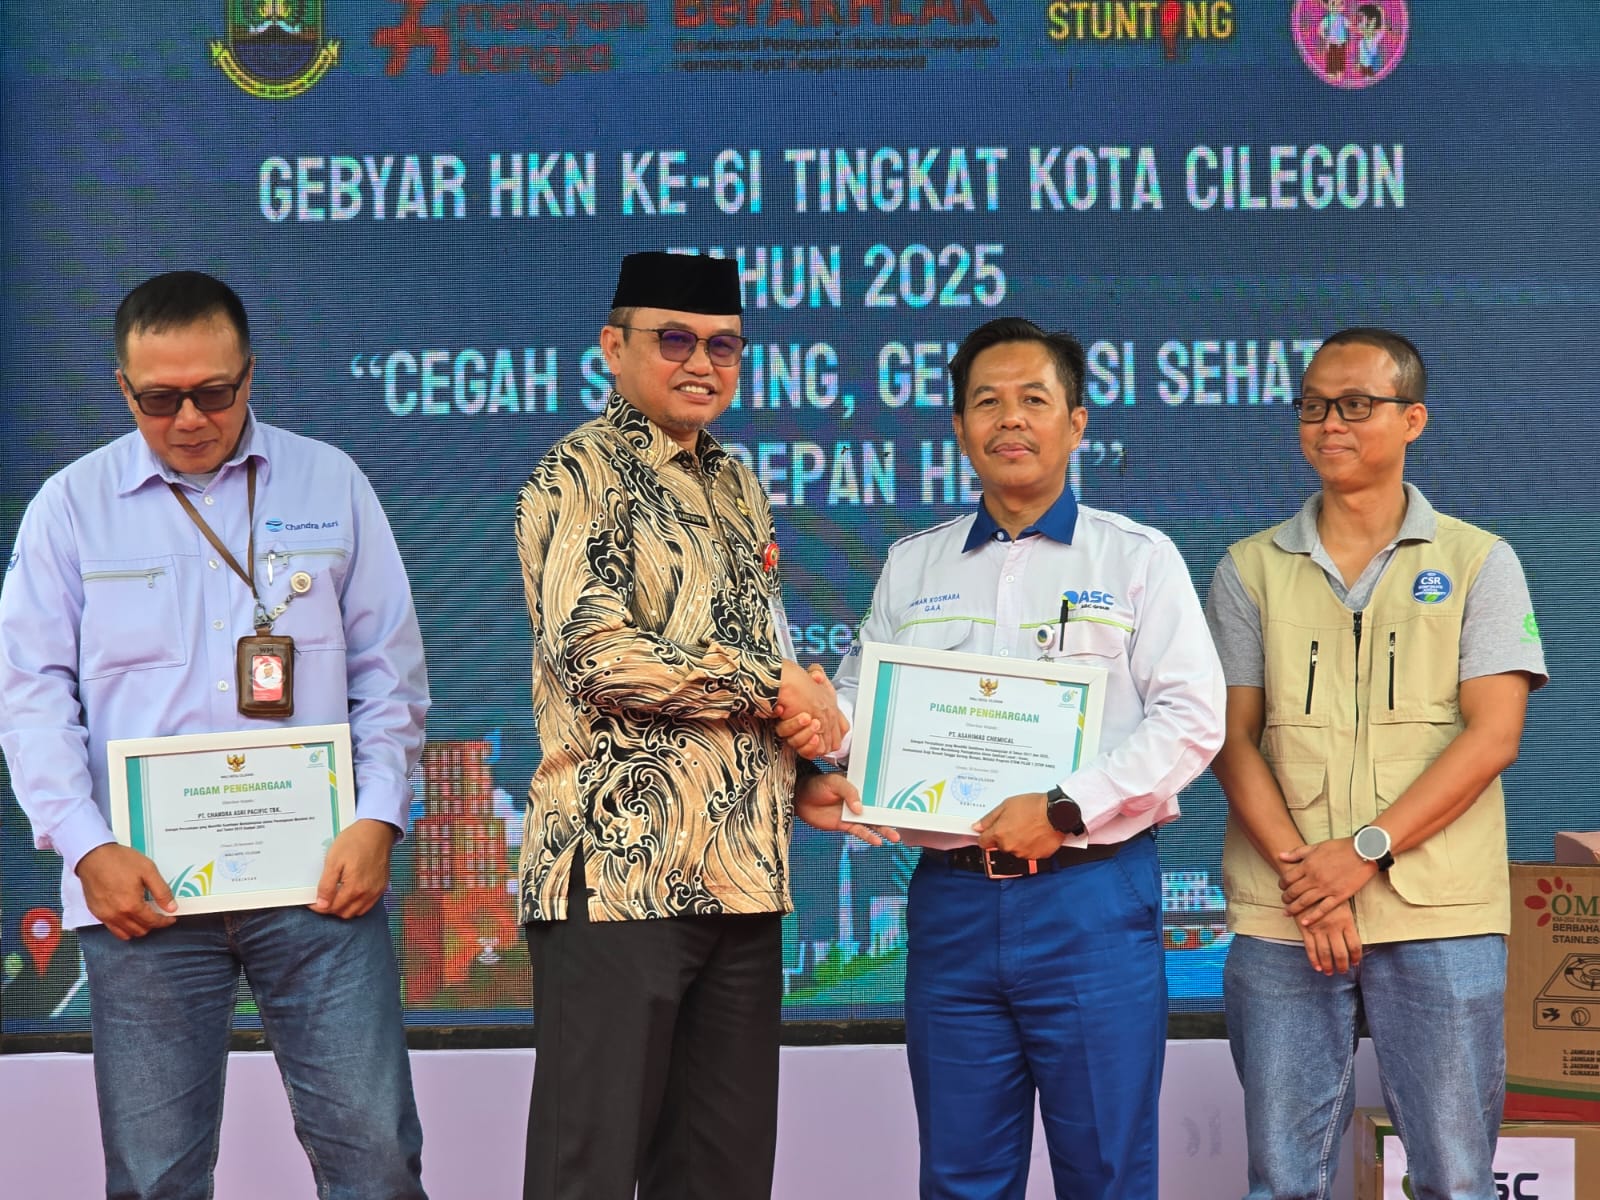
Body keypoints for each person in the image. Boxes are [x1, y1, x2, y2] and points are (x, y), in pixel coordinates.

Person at [0, 270, 432, 1198]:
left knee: (377, 1159)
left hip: (320, 885)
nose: (190, 418)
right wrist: (86, 848)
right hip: (141, 894)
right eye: (160, 399)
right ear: (123, 389)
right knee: (156, 1177)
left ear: (251, 376)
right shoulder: (70, 509)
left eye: (214, 392)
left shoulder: (331, 483)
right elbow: (30, 698)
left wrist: (378, 817)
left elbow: (388, 672)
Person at [815, 316, 1225, 1198]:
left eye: (1034, 400)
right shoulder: (913, 566)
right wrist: (817, 728)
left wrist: (1066, 806)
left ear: (1076, 423)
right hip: (954, 905)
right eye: (987, 402)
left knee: (1107, 1175)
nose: (1010, 419)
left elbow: (1193, 719)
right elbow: (861, 711)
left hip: (1090, 898)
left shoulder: (1136, 558)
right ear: (960, 430)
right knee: (960, 1177)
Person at [514, 250, 875, 1200]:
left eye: (724, 345)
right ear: (613, 347)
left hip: (740, 881)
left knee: (722, 1176)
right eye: (674, 339)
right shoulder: (579, 472)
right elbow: (596, 653)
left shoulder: (737, 483)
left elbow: (751, 649)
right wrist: (774, 684)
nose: (701, 362)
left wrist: (803, 774)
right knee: (586, 1174)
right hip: (619, 876)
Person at [1206, 327, 1546, 1200]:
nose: (1331, 424)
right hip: (1286, 913)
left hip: (1440, 910)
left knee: (1456, 1181)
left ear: (1413, 420)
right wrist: (1309, 881)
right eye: (1314, 406)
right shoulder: (1249, 570)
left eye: (1356, 405)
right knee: (1282, 1183)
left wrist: (1361, 854)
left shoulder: (1480, 562)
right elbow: (1229, 739)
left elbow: (1494, 736)